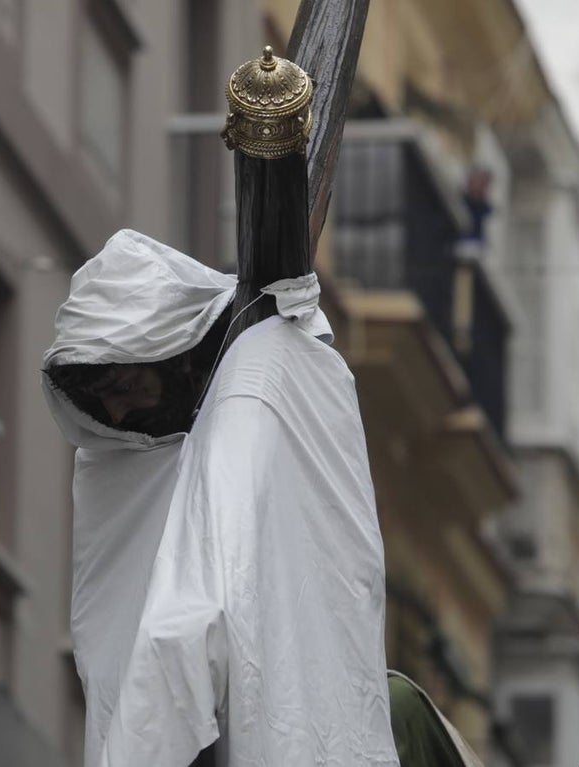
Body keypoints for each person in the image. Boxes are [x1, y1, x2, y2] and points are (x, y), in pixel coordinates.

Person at [43, 229, 398, 767]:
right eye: (99, 399)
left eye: (119, 387)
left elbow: (187, 623)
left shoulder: (253, 385)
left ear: (163, 351)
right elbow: (116, 638)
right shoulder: (111, 464)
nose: (115, 416)